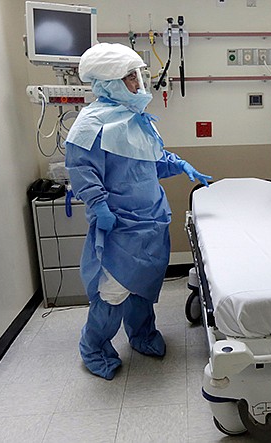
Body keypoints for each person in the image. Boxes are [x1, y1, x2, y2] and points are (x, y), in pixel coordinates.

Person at [65, 43, 212, 380]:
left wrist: (180, 164)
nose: (138, 83)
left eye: (137, 75)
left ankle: (142, 335)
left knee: (143, 286)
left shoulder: (135, 118)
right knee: (113, 292)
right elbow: (83, 171)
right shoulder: (89, 125)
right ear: (108, 82)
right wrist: (99, 206)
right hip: (120, 225)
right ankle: (94, 347)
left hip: (152, 219)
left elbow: (150, 161)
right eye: (129, 77)